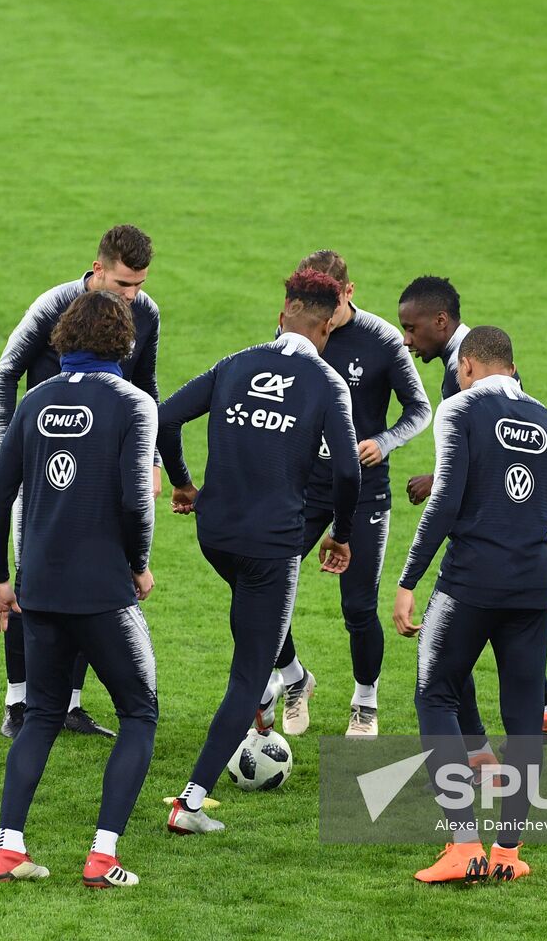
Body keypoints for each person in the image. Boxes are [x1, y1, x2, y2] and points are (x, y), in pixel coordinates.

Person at [160, 269, 360, 834]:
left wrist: (182, 483)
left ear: (282, 313)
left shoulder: (235, 363)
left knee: (253, 625)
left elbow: (166, 416)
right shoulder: (326, 383)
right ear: (325, 327)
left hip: (215, 535)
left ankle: (273, 697)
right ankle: (191, 802)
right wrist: (342, 534)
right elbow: (348, 470)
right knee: (248, 669)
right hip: (272, 545)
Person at [393, 326, 547, 884]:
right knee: (524, 719)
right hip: (531, 589)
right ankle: (508, 854)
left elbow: (445, 501)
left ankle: (463, 846)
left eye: (460, 370)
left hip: (469, 586)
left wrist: (409, 580)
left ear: (472, 365)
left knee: (435, 694)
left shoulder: (459, 411)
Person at [0, 291, 158, 886]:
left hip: (40, 589)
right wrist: (138, 564)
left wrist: (0, 578)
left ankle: (8, 848)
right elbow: (139, 500)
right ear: (123, 344)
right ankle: (103, 855)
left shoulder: (34, 401)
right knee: (139, 712)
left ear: (62, 339)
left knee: (40, 714)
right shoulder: (133, 404)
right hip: (104, 592)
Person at [0, 224, 160, 739]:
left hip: (104, 459)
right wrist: (6, 452)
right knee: (29, 577)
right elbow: (5, 374)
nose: (133, 296)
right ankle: (18, 702)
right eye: (124, 284)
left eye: (139, 284)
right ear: (98, 267)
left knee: (93, 577)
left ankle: (69, 703)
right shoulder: (55, 305)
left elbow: (146, 384)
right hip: (43, 460)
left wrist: (150, 457)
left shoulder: (147, 313)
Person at [398, 275, 547, 751]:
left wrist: (407, 580)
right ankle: (497, 754)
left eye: (412, 329)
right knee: (511, 708)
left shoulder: (463, 386)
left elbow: (482, 470)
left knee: (436, 685)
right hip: (531, 576)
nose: (406, 340)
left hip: (474, 572)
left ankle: (467, 811)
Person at [272, 250, 431, 738]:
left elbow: (419, 409)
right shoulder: (294, 334)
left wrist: (383, 443)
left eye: (332, 304)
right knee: (263, 586)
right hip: (302, 489)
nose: (323, 317)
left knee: (358, 606)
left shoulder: (382, 339)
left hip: (364, 494)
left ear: (349, 292)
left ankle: (366, 702)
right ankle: (295, 678)